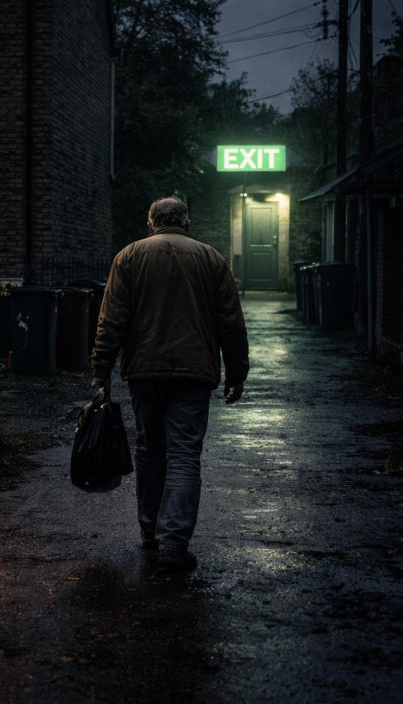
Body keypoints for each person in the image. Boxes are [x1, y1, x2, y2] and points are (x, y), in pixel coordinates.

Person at [91, 196, 249, 570]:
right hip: (193, 373)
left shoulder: (128, 257)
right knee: (183, 455)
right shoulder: (211, 258)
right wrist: (237, 371)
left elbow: (111, 319)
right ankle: (173, 544)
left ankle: (150, 533)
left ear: (151, 223)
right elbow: (231, 321)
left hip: (144, 372)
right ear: (187, 223)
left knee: (149, 450)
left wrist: (101, 370)